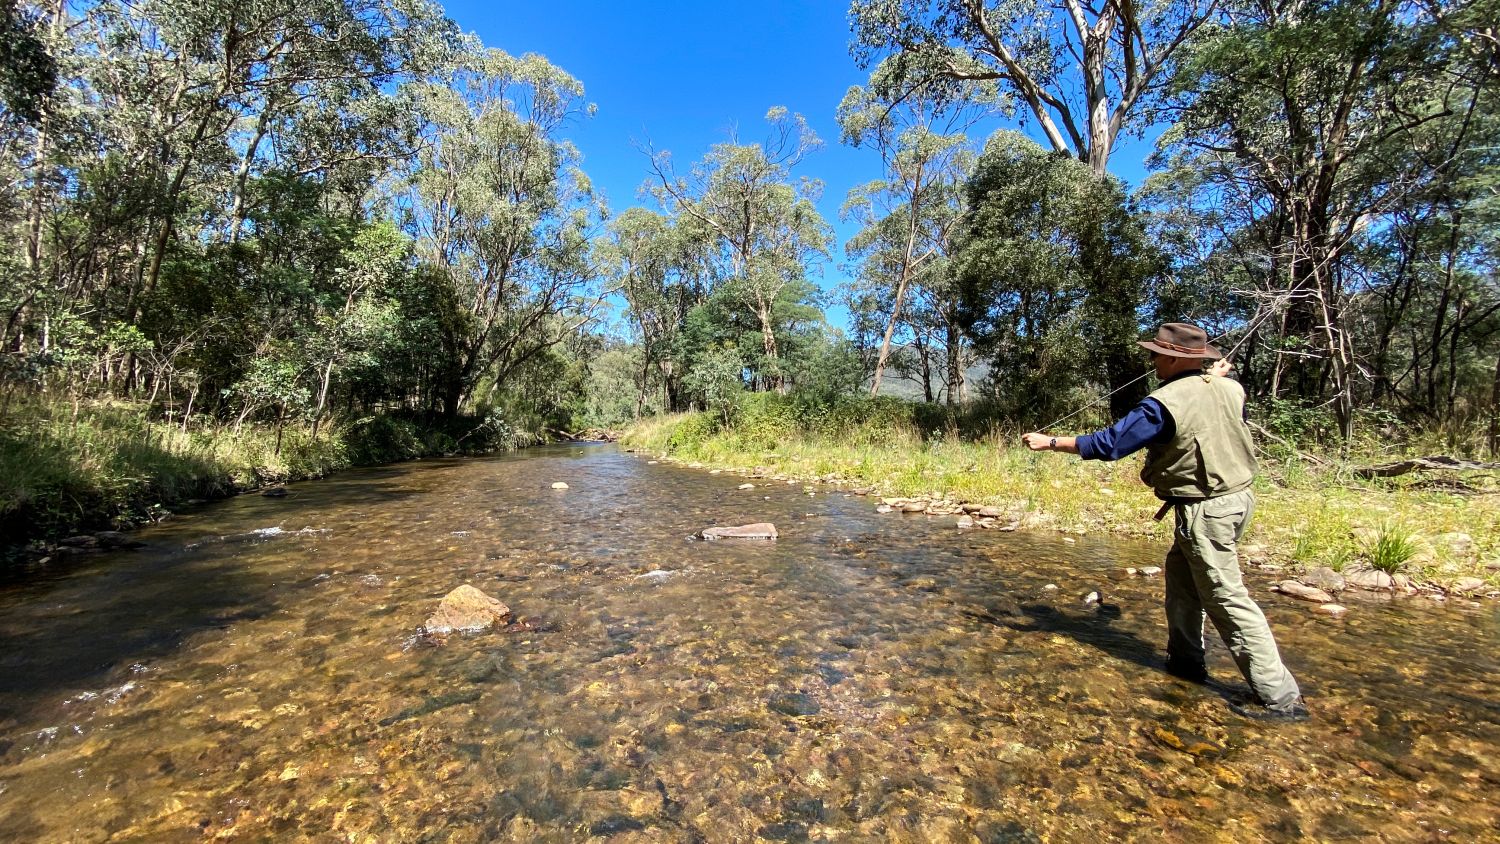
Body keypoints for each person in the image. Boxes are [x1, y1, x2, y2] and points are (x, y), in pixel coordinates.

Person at [1022, 322, 1308, 721]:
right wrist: (1209, 377)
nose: (1151, 360)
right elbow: (1205, 406)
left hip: (1206, 510)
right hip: (1239, 501)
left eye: (1156, 354)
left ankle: (1281, 700)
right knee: (1182, 581)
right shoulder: (1230, 387)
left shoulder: (1161, 404)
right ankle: (1186, 664)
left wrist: (1050, 442)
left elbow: (1110, 445)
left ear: (1175, 358)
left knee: (1226, 598)